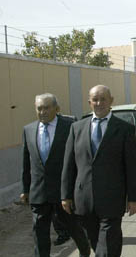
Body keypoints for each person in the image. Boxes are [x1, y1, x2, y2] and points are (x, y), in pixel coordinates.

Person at [62, 85, 136, 257]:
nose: (99, 103)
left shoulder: (124, 129)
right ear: (89, 102)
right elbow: (69, 165)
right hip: (84, 199)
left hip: (112, 198)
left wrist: (133, 198)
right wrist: (65, 195)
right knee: (97, 243)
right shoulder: (77, 128)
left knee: (107, 244)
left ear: (111, 100)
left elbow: (131, 167)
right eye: (95, 100)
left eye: (103, 99)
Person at [21, 93, 89, 257]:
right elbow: (26, 162)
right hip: (39, 192)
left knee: (74, 228)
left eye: (46, 108)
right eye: (39, 108)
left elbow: (78, 159)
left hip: (64, 192)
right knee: (40, 233)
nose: (42, 112)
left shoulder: (70, 126)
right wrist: (25, 189)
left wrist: (79, 188)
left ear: (57, 109)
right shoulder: (28, 130)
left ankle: (85, 250)